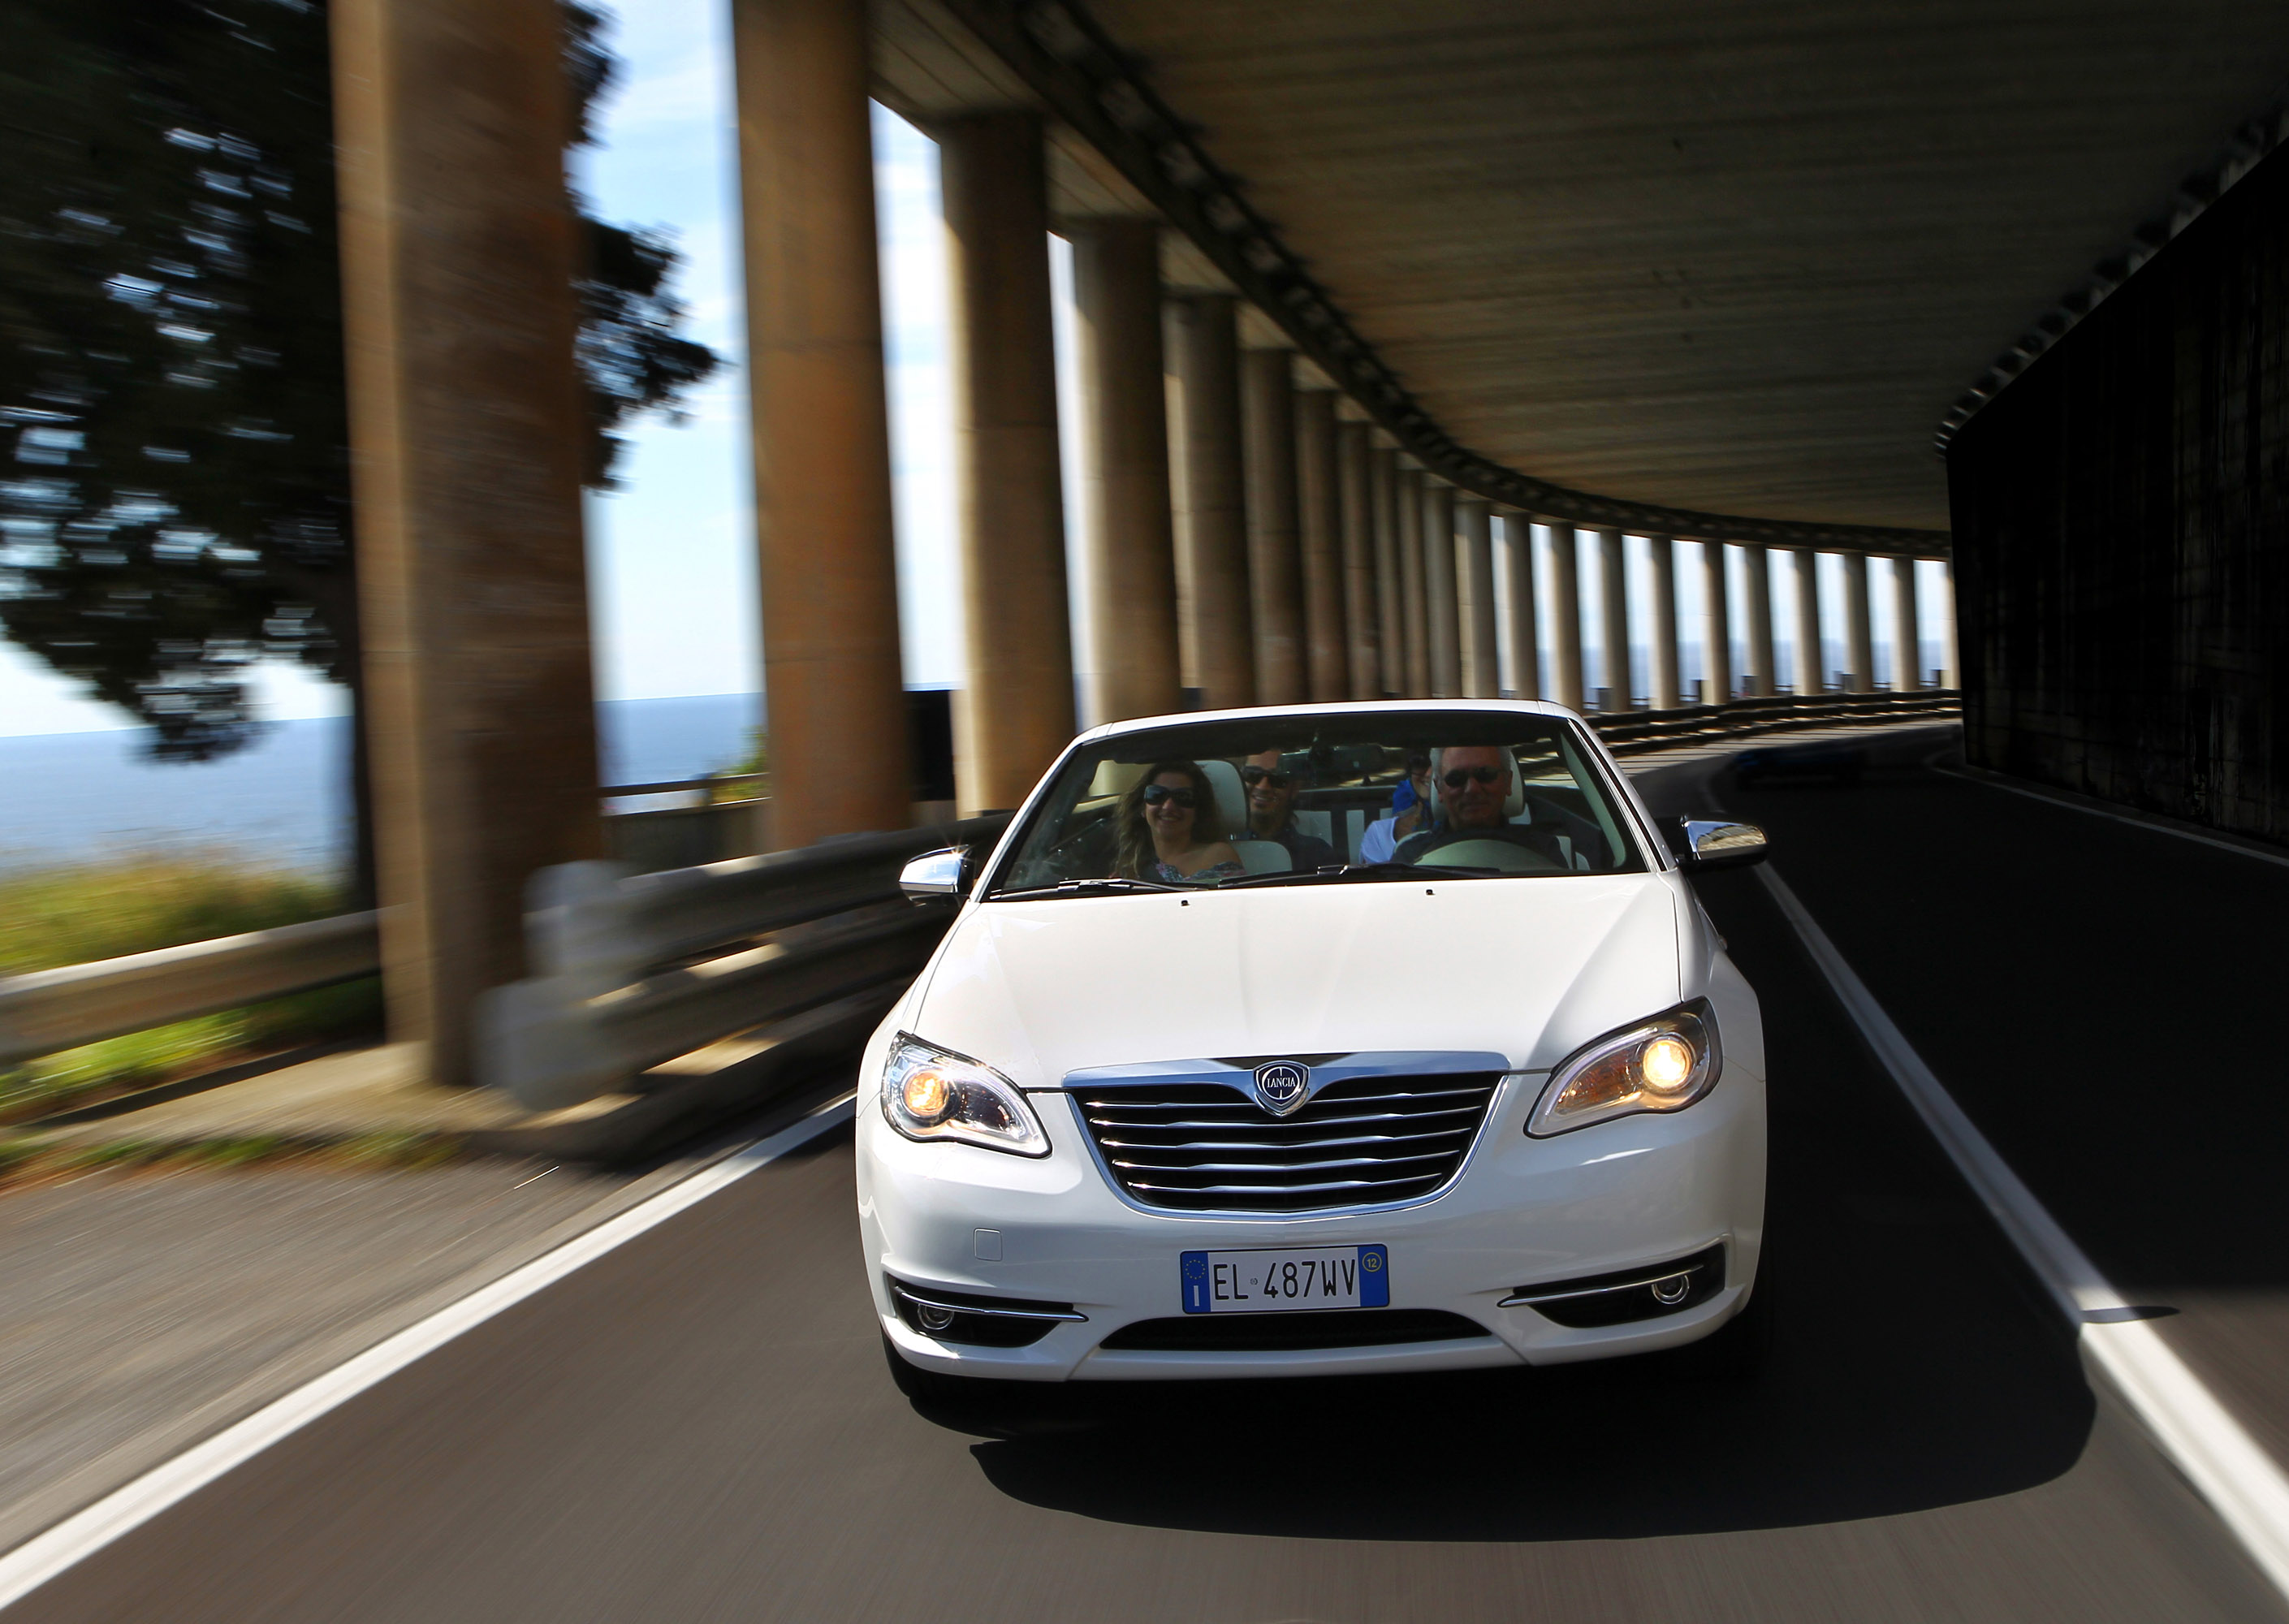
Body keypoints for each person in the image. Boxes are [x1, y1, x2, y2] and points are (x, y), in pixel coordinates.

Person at [1393, 745, 1566, 866]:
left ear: (1508, 782)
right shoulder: (1409, 856)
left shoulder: (1544, 850)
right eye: (1456, 778)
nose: (1472, 789)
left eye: (1485, 775)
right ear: (1439, 788)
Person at [1113, 760, 1245, 883]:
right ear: (1143, 807)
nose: (1168, 807)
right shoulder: (1129, 868)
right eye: (1157, 795)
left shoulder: (1218, 855)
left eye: (1183, 797)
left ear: (1198, 811)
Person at [1237, 749, 1340, 870]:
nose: (1262, 787)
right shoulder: (1223, 852)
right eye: (1252, 774)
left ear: (1295, 788)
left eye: (1277, 779)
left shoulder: (1316, 854)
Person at [1358, 750, 1432, 865]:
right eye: (1420, 763)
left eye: (1439, 766)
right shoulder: (1380, 833)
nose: (1429, 773)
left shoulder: (1466, 834)